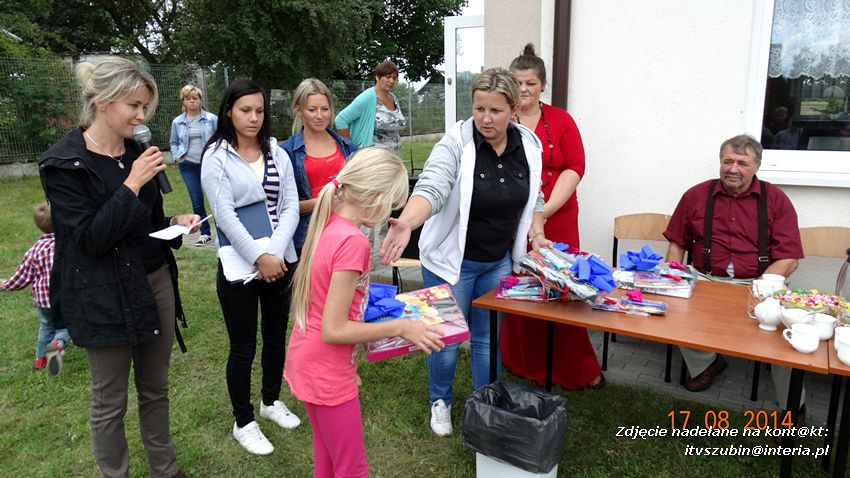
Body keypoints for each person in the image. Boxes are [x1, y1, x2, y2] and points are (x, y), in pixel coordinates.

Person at [38, 56, 197, 478]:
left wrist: (172, 224)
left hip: (154, 281)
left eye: (145, 107)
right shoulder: (64, 163)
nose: (142, 116)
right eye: (134, 105)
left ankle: (166, 470)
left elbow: (143, 223)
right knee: (110, 401)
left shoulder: (137, 153)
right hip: (103, 293)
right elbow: (89, 239)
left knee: (155, 388)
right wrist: (131, 184)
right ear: (103, 102)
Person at [380, 67, 552, 437]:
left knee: (487, 338)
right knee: (443, 338)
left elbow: (534, 196)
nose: (486, 119)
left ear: (513, 110)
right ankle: (439, 401)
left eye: (495, 111)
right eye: (479, 109)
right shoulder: (455, 143)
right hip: (448, 263)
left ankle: (485, 402)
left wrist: (537, 235)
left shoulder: (529, 146)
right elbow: (433, 187)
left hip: (498, 262)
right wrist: (408, 222)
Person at [284, 147, 444, 478]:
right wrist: (400, 327)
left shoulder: (330, 223)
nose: (390, 213)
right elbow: (334, 329)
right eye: (391, 203)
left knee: (327, 461)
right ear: (374, 197)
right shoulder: (354, 242)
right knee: (351, 468)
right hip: (327, 371)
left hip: (309, 362)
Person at [663, 134, 805, 416]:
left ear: (757, 166)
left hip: (758, 282)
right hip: (705, 277)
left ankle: (792, 408)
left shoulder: (776, 200)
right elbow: (677, 242)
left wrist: (761, 290)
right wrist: (672, 278)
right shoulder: (696, 195)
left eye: (742, 162)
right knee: (673, 309)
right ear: (720, 163)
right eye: (728, 161)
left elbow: (789, 258)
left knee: (786, 336)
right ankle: (706, 363)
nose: (733, 168)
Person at [200, 79, 302, 455]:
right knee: (243, 346)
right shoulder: (216, 157)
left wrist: (274, 254)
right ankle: (243, 420)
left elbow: (290, 206)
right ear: (229, 111)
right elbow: (224, 215)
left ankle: (271, 401)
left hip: (280, 261)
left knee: (276, 337)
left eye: (259, 111)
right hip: (240, 267)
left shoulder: (277, 152)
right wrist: (259, 258)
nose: (254, 118)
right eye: (245, 110)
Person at [499, 44, 604, 391]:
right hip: (513, 220)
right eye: (517, 83)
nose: (524, 89)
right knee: (521, 287)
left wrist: (543, 211)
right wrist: (524, 214)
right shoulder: (502, 119)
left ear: (542, 85)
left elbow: (575, 167)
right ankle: (521, 362)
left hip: (557, 216)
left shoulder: (561, 120)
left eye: (530, 82)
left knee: (561, 289)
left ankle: (575, 368)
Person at [281, 78, 358, 253]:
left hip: (345, 236)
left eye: (325, 109)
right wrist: (324, 201)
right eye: (312, 109)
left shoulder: (348, 147)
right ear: (298, 110)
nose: (319, 115)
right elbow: (282, 206)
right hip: (307, 239)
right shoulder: (286, 152)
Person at [1, 202, 69, 375]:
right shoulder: (68, 246)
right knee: (67, 327)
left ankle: (40, 360)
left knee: (46, 325)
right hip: (66, 297)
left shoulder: (34, 250)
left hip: (43, 301)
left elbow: (22, 277)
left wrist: (5, 284)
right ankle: (58, 344)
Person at [169, 84, 218, 245]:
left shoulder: (211, 119)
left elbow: (220, 139)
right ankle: (204, 233)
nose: (192, 101)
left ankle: (224, 231)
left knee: (216, 198)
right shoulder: (178, 122)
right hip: (188, 165)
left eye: (195, 98)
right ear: (183, 101)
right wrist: (177, 157)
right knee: (196, 199)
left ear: (200, 100)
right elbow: (174, 142)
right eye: (188, 99)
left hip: (209, 164)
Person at [335, 60, 406, 153]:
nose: (391, 81)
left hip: (392, 158)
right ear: (377, 77)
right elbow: (340, 120)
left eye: (394, 78)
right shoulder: (367, 98)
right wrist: (350, 148)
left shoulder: (394, 99)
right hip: (372, 160)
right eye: (388, 77)